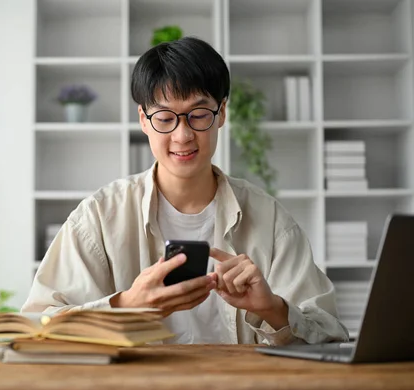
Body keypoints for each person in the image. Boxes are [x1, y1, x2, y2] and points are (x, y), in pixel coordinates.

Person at [21, 37, 349, 345]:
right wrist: (125, 306)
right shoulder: (98, 218)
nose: (182, 135)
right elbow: (33, 329)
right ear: (144, 120)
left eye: (198, 115)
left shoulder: (270, 219)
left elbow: (333, 335)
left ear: (221, 113)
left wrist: (273, 310)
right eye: (165, 117)